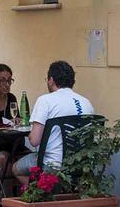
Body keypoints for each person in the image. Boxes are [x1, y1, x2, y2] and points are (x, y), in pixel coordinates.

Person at [12, 60, 95, 189]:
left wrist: (30, 134)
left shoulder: (45, 100)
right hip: (79, 165)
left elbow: (34, 141)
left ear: (51, 80)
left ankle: (41, 192)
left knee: (15, 168)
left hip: (51, 164)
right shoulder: (86, 103)